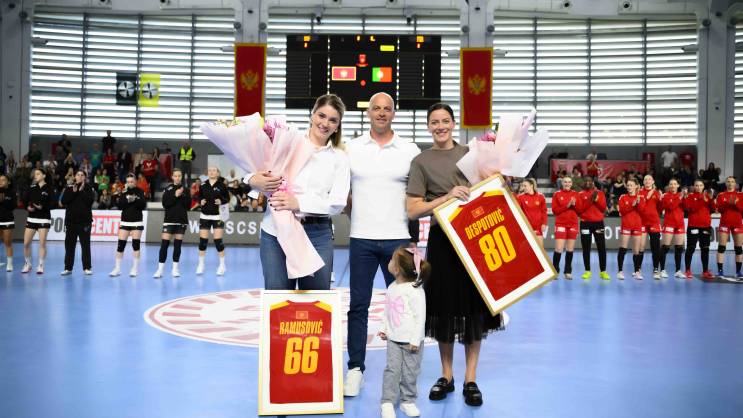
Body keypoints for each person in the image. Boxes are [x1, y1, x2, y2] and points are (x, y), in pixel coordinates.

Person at [406, 103, 504, 407]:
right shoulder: (420, 162)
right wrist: (447, 197)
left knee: (474, 309)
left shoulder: (473, 154)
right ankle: (446, 375)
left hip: (474, 238)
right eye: (434, 122)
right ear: (428, 126)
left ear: (453, 123)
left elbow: (493, 189)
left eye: (445, 121)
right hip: (442, 241)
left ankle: (470, 378)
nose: (440, 126)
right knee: (445, 309)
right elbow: (413, 209)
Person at [342, 92, 421, 396]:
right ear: (368, 113)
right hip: (361, 238)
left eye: (387, 109)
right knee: (358, 306)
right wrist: (358, 214)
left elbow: (418, 193)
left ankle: (402, 372)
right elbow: (342, 192)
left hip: (398, 239)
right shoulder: (351, 148)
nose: (381, 113)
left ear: (393, 114)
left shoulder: (410, 150)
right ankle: (355, 370)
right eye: (376, 108)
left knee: (403, 306)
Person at [247, 94, 350, 288]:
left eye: (332, 120)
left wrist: (299, 203)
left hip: (318, 235)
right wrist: (253, 180)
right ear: (312, 115)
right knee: (277, 299)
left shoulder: (340, 158)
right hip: (275, 231)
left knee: (316, 300)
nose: (325, 123)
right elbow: (254, 170)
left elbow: (337, 203)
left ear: (337, 126)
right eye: (321, 115)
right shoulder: (286, 142)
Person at [379, 247, 429, 418]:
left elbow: (420, 317)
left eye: (391, 260)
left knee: (410, 372)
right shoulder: (392, 287)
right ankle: (387, 401)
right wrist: (384, 328)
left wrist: (415, 340)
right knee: (392, 370)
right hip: (394, 340)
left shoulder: (415, 290)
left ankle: (408, 401)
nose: (389, 262)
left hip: (411, 342)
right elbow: (388, 311)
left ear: (397, 269)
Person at [154, 168, 191, 278]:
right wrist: (175, 195)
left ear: (181, 177)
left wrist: (182, 195)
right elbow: (165, 204)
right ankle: (160, 270)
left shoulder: (186, 190)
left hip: (181, 221)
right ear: (172, 177)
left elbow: (188, 206)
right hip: (169, 220)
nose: (177, 178)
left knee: (177, 246)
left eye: (179, 176)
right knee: (164, 245)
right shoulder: (168, 189)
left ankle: (175, 269)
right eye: (176, 176)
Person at [109, 174, 146, 277]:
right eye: (128, 181)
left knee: (136, 245)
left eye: (132, 181)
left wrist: (135, 199)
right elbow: (120, 206)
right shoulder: (124, 191)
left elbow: (143, 205)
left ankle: (135, 269)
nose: (130, 183)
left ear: (135, 182)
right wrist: (127, 199)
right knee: (120, 245)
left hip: (137, 222)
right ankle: (117, 269)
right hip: (125, 221)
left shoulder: (140, 191)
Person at [196, 167, 230, 275]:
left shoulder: (222, 185)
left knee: (218, 241)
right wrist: (200, 201)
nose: (211, 172)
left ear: (217, 173)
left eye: (214, 170)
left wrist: (221, 200)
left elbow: (227, 198)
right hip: (204, 216)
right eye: (210, 170)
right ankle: (201, 265)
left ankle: (222, 265)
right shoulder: (203, 185)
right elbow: (199, 197)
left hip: (218, 216)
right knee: (203, 241)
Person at [60, 170, 95, 276]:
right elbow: (63, 201)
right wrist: (74, 192)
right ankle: (68, 268)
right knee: (69, 246)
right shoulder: (69, 188)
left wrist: (81, 191)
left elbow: (90, 202)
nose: (80, 176)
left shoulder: (88, 188)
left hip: (84, 222)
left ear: (85, 177)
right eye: (78, 175)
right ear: (75, 176)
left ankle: (87, 267)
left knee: (85, 245)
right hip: (71, 222)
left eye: (82, 175)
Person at [21, 169, 54, 274]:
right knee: (26, 243)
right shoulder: (31, 187)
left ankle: (40, 265)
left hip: (44, 218)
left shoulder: (49, 188)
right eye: (35, 174)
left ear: (44, 176)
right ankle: (27, 264)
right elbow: (24, 200)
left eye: (38, 174)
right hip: (31, 219)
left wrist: (42, 207)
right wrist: (27, 207)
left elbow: (53, 204)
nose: (35, 176)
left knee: (42, 243)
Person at [576, 176, 609, 280]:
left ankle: (603, 272)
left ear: (593, 183)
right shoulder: (580, 194)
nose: (587, 182)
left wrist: (597, 200)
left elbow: (603, 208)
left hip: (598, 223)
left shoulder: (600, 193)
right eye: (586, 181)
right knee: (586, 248)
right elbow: (579, 210)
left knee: (601, 247)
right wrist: (591, 200)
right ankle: (587, 271)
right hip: (585, 224)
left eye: (589, 181)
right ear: (583, 182)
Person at [683, 180, 716, 280]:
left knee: (705, 249)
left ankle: (705, 271)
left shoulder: (707, 196)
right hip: (693, 226)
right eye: (696, 185)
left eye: (700, 185)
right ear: (693, 186)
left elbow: (713, 209)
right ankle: (687, 270)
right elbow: (691, 209)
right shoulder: (690, 196)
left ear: (703, 186)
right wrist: (702, 199)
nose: (698, 187)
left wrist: (711, 199)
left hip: (705, 226)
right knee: (691, 248)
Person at [617, 178, 646, 280]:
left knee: (636, 251)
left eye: (631, 185)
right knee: (623, 248)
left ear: (636, 186)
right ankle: (620, 271)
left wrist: (638, 203)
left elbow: (642, 212)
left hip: (637, 226)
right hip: (626, 226)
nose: (629, 187)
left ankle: (637, 272)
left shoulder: (641, 198)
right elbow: (621, 211)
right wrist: (632, 205)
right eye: (628, 185)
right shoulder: (623, 197)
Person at [551, 176, 580, 279]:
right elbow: (555, 211)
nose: (567, 184)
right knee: (559, 248)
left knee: (570, 249)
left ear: (571, 184)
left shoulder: (576, 194)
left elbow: (580, 211)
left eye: (569, 182)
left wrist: (575, 205)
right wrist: (567, 205)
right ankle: (555, 271)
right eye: (565, 182)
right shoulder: (557, 194)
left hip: (573, 224)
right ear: (562, 183)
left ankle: (568, 271)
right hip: (561, 224)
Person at [714, 176, 743, 279]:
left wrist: (736, 204)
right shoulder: (721, 195)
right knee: (721, 247)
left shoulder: (740, 195)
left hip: (737, 224)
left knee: (738, 248)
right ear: (725, 183)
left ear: (735, 184)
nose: (730, 183)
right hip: (724, 224)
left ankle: (738, 272)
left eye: (732, 181)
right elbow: (719, 210)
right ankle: (720, 271)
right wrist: (727, 204)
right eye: (728, 181)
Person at [658, 178, 685, 279]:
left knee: (679, 248)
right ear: (669, 186)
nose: (673, 186)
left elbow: (687, 207)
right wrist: (679, 198)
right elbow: (670, 207)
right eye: (671, 184)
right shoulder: (665, 196)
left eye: (674, 184)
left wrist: (685, 198)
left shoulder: (682, 195)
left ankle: (678, 271)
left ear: (678, 185)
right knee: (665, 247)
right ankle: (662, 270)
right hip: (669, 224)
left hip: (680, 224)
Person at [638, 175, 662, 278]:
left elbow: (660, 209)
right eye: (645, 179)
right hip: (642, 222)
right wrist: (647, 197)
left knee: (655, 247)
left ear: (653, 181)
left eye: (649, 179)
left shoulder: (657, 193)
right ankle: (638, 269)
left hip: (654, 222)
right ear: (643, 182)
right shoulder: (639, 192)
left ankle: (656, 269)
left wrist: (660, 200)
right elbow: (640, 208)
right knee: (640, 247)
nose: (647, 181)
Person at [517, 178, 547, 249]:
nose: (523, 188)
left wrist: (544, 223)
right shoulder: (520, 197)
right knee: (527, 249)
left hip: (538, 227)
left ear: (531, 185)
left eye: (525, 186)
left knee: (540, 249)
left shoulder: (540, 196)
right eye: (522, 186)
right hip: (526, 227)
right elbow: (517, 211)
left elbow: (544, 211)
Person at [0, 175, 16, 271]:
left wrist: (4, 200)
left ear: (8, 182)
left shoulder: (12, 192)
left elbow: (13, 206)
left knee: (7, 242)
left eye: (3, 180)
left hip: (7, 220)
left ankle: (9, 264)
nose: (1, 181)